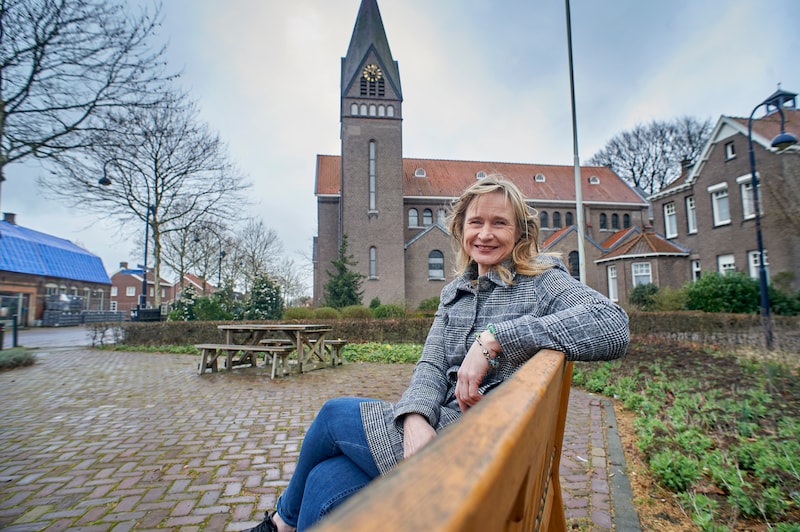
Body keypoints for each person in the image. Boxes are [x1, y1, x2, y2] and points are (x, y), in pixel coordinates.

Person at [247, 176, 629, 532]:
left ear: (520, 232)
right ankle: (284, 524)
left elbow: (612, 323)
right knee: (322, 480)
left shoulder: (541, 281)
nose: (485, 234)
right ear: (461, 229)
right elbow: (430, 364)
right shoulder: (454, 294)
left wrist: (495, 339)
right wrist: (415, 417)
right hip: (449, 433)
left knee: (333, 415)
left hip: (478, 447)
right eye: (476, 222)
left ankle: (279, 523)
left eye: (499, 223)